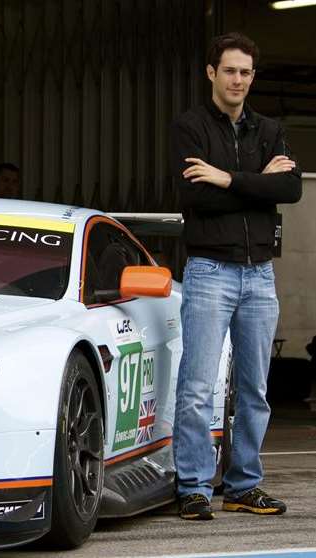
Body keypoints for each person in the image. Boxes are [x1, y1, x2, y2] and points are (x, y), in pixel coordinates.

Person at [170, 32, 302, 520]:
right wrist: (256, 184)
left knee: (255, 389)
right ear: (211, 73)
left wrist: (226, 177)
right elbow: (194, 198)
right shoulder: (189, 127)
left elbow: (290, 189)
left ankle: (244, 485)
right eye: (230, 70)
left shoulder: (269, 128)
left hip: (260, 277)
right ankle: (195, 487)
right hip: (210, 272)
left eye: (246, 72)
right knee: (198, 386)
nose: (238, 80)